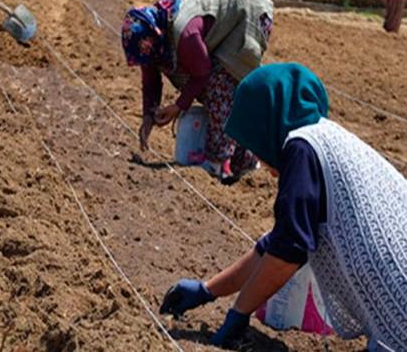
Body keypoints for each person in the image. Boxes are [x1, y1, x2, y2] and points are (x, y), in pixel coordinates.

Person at [158, 63, 407, 350]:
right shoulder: (326, 138)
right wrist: (207, 291)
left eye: (255, 144)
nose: (260, 161)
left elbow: (286, 254)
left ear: (266, 126)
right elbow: (276, 245)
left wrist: (238, 313)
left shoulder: (303, 150)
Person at [121, 0, 273, 184]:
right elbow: (150, 74)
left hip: (248, 11)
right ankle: (242, 159)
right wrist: (149, 113)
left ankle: (218, 161)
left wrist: (178, 106)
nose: (147, 62)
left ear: (153, 40)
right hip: (223, 15)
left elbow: (202, 73)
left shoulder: (185, 34)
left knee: (222, 86)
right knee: (208, 85)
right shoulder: (155, 30)